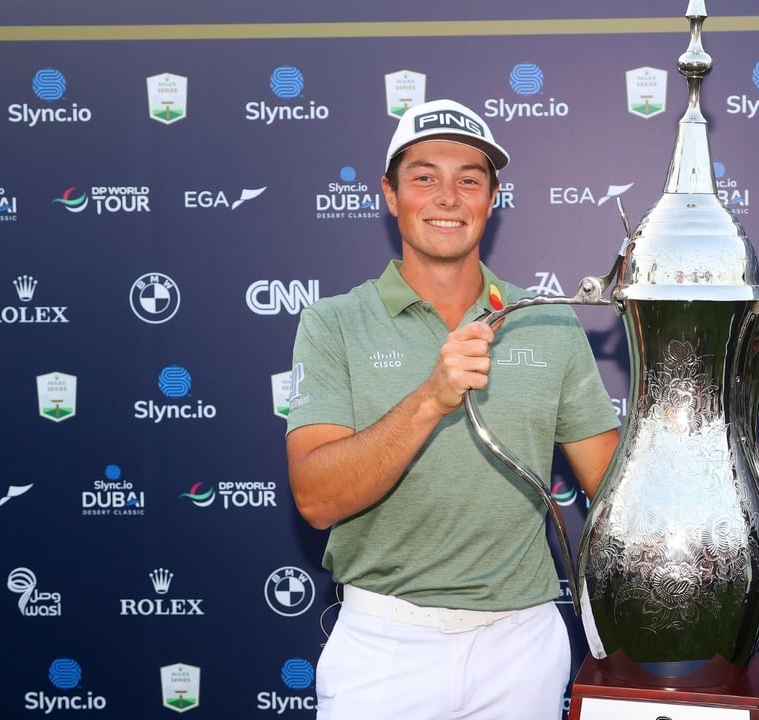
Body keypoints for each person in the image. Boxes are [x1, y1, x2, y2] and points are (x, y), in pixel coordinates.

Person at [285, 98, 621, 720]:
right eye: (424, 178)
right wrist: (431, 398)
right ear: (390, 195)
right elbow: (316, 497)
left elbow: (611, 487)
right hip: (385, 647)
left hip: (523, 647)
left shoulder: (545, 322)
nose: (447, 197)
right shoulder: (333, 323)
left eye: (469, 180)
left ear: (492, 200)